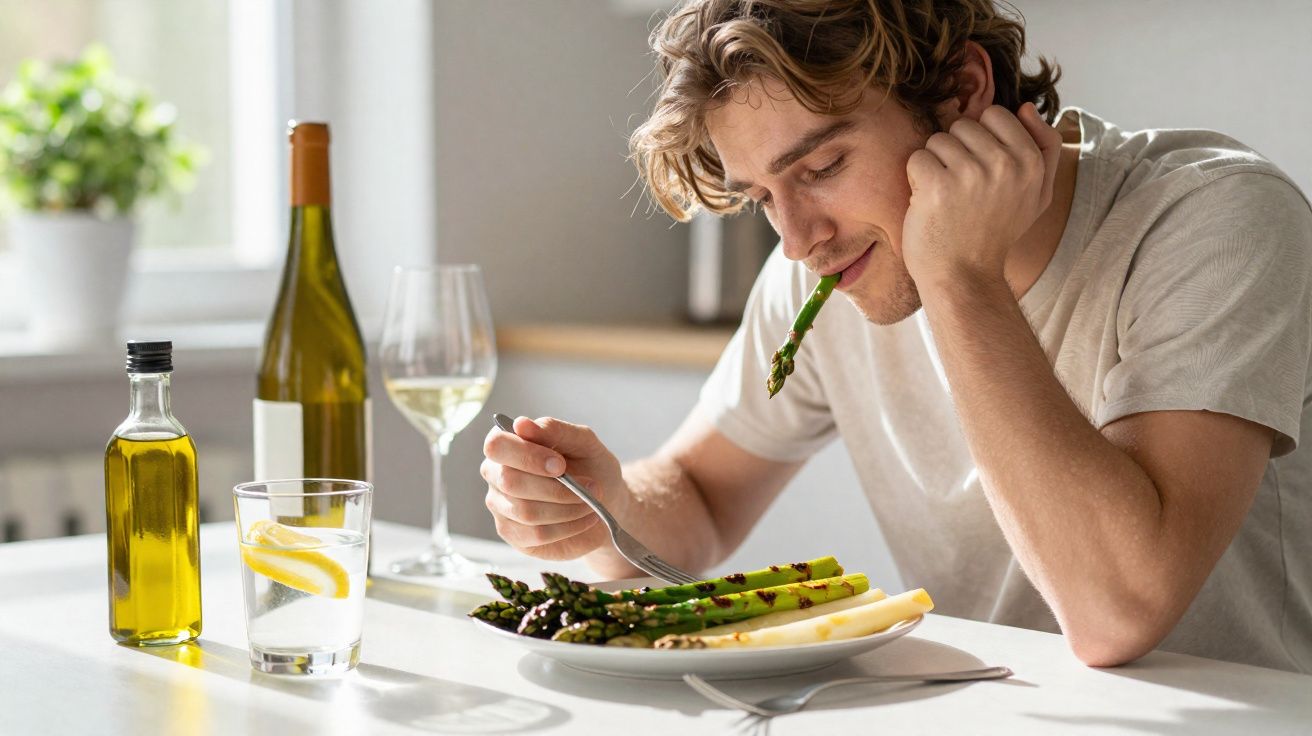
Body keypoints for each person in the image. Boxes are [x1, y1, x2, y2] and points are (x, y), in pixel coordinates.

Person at [481, 0, 1312, 672]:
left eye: (821, 168)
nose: (799, 237)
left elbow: (1117, 611)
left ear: (961, 91)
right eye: (764, 196)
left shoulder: (1214, 219)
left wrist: (960, 277)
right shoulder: (822, 268)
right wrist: (610, 512)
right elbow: (699, 497)